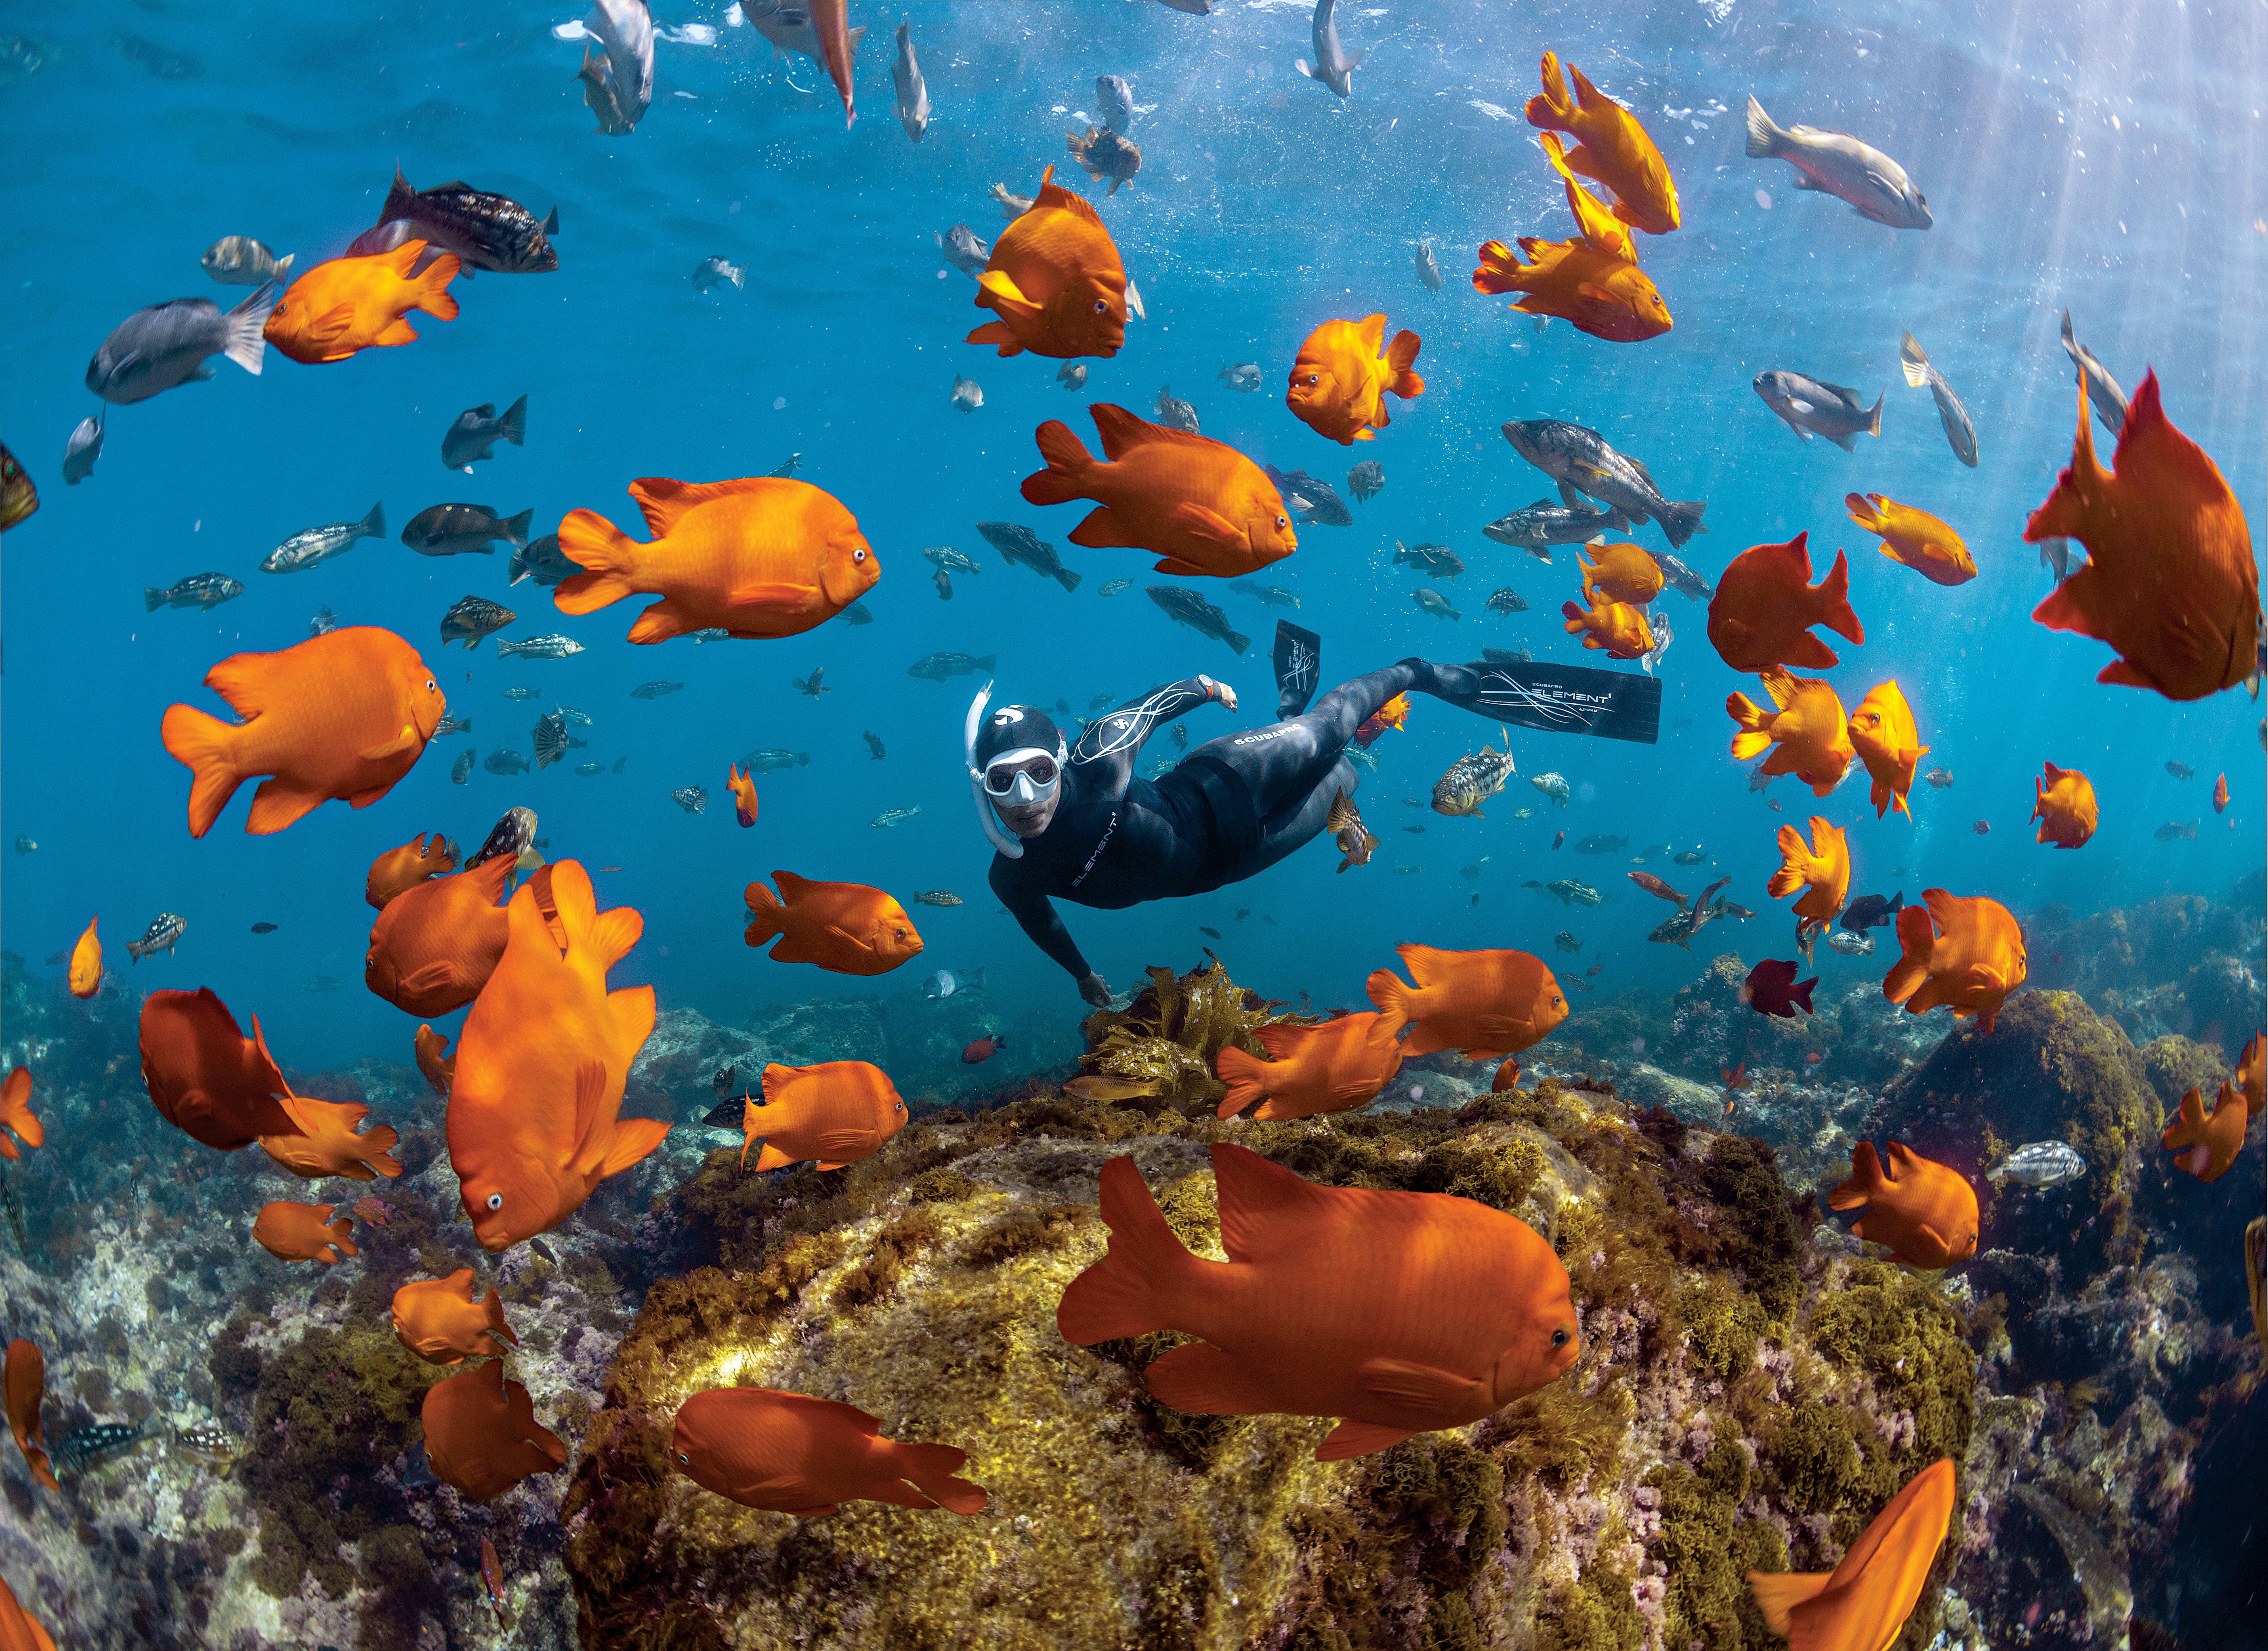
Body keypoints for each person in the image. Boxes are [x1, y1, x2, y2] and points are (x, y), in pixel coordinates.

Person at [972, 626, 1655, 1002]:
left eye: (1037, 772)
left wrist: (1205, 687)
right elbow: (1042, 920)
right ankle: (1294, 717)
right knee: (1345, 777)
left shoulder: (1096, 761)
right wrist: (1084, 977)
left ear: (1059, 757)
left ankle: (1411, 670)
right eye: (1006, 783)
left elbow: (1149, 709)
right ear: (984, 786)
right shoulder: (1015, 876)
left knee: (1331, 730)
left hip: (1223, 778)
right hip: (1228, 864)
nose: (1028, 799)